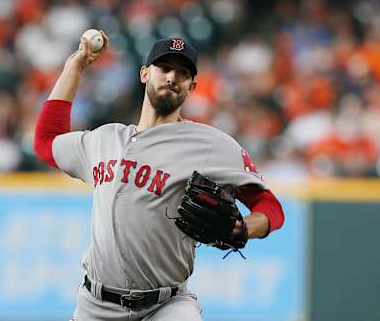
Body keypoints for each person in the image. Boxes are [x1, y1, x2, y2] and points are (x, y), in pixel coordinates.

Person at [34, 31, 285, 321]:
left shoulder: (211, 144)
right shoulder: (104, 140)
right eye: (164, 68)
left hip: (167, 306)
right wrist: (74, 67)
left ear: (192, 85)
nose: (171, 77)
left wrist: (243, 228)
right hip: (95, 305)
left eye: (182, 72)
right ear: (144, 73)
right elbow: (46, 140)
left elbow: (270, 207)